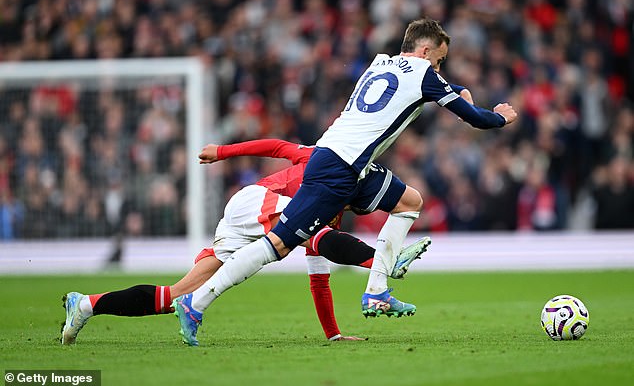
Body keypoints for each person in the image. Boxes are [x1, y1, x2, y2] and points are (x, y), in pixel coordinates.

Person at [173, 17, 517, 343]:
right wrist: (500, 117)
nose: (439, 69)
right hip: (336, 168)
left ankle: (376, 291)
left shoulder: (380, 62)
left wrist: (457, 89)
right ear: (426, 52)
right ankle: (196, 303)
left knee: (409, 202)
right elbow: (476, 119)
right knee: (277, 246)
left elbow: (427, 86)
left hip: (351, 165)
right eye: (439, 61)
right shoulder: (426, 74)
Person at [61, 139, 431, 345]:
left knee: (172, 297)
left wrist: (333, 335)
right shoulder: (323, 158)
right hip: (254, 201)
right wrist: (221, 152)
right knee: (315, 236)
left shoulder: (329, 219)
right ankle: (386, 264)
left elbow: (319, 277)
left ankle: (87, 305)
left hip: (244, 225)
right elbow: (274, 146)